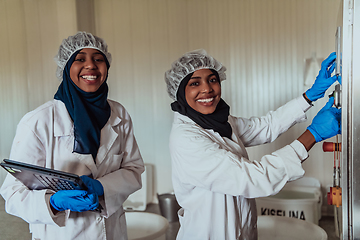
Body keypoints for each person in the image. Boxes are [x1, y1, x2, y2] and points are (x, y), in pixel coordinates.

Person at [164, 49, 341, 240]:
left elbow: (265, 126)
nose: (207, 89)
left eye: (212, 79)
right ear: (180, 91)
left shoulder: (220, 121)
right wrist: (312, 135)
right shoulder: (187, 139)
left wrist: (310, 96)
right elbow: (253, 178)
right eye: (195, 83)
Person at [0, 32, 144, 240]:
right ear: (66, 68)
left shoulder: (119, 114)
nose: (91, 66)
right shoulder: (39, 121)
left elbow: (133, 169)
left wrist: (104, 188)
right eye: (80, 59)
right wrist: (54, 202)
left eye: (98, 59)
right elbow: (13, 194)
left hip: (112, 231)